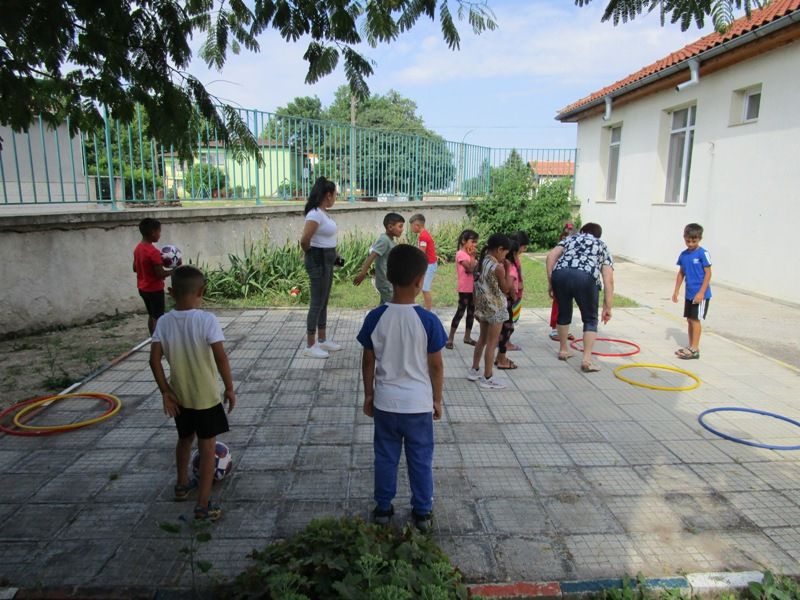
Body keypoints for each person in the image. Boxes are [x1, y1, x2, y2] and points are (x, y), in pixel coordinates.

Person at [356, 244, 447, 533]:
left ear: (389, 277)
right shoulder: (428, 321)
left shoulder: (375, 317)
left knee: (385, 457)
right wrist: (437, 399)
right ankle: (422, 511)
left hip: (385, 404)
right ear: (420, 281)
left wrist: (369, 394)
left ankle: (383, 508)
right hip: (418, 406)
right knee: (420, 459)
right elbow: (436, 367)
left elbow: (367, 361)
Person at [149, 265, 235, 522]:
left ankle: (182, 484)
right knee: (207, 448)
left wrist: (165, 391)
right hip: (206, 398)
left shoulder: (163, 322)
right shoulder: (206, 320)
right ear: (202, 292)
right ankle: (203, 504)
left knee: (184, 439)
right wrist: (229, 387)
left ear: (171, 292)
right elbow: (221, 357)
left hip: (180, 397)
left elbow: (154, 361)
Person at [546, 223, 614, 373]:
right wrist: (607, 307)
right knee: (590, 319)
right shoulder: (602, 245)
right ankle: (587, 360)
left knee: (563, 312)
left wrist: (551, 282)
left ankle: (563, 350)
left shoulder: (570, 239)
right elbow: (608, 279)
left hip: (561, 274)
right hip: (586, 277)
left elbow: (551, 256)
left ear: (582, 231)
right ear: (598, 235)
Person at [300, 177, 343, 359]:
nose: (335, 198)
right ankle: (311, 344)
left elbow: (324, 238)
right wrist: (310, 254)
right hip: (318, 259)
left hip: (327, 258)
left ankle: (323, 339)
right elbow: (305, 240)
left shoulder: (324, 213)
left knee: (324, 300)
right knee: (317, 302)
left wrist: (335, 254)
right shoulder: (315, 214)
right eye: (334, 195)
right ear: (327, 195)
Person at [469, 233, 513, 390]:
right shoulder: (498, 268)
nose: (504, 257)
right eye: (505, 253)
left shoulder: (479, 262)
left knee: (482, 338)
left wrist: (475, 306)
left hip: (483, 307)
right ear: (500, 249)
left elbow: (474, 287)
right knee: (492, 343)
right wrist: (508, 270)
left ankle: (474, 369)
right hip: (496, 309)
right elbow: (506, 288)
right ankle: (488, 377)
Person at [133, 217, 181, 335]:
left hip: (142, 288)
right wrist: (175, 269)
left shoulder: (138, 248)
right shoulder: (153, 252)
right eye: (159, 231)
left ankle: (152, 338)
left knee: (151, 315)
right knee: (158, 318)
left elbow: (135, 268)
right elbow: (160, 274)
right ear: (153, 232)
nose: (160, 234)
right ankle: (158, 342)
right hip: (154, 290)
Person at [671, 223, 712, 360]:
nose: (690, 243)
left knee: (695, 320)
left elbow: (708, 274)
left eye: (694, 241)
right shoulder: (683, 255)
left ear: (700, 238)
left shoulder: (703, 254)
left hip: (700, 294)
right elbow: (681, 273)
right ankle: (690, 346)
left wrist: (701, 293)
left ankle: (695, 349)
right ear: (684, 238)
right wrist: (676, 291)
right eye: (688, 240)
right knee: (689, 319)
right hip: (689, 293)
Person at [353, 212, 405, 305]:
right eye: (400, 226)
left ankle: (380, 319)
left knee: (385, 306)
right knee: (393, 305)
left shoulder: (389, 240)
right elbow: (371, 256)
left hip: (389, 282)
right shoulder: (384, 240)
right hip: (385, 283)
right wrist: (363, 273)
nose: (402, 229)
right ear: (390, 227)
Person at [445, 229, 479, 349]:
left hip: (473, 289)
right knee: (460, 312)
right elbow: (469, 269)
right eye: (472, 241)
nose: (474, 245)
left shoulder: (471, 256)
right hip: (464, 289)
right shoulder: (461, 254)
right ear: (464, 241)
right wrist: (473, 256)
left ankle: (467, 337)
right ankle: (450, 338)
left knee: (471, 313)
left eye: (476, 242)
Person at [547, 223, 576, 342]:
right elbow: (550, 262)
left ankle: (564, 330)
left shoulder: (573, 251)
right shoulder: (558, 251)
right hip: (559, 282)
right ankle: (555, 329)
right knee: (557, 305)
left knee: (567, 307)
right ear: (564, 238)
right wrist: (551, 283)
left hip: (570, 282)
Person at [495, 240, 520, 370]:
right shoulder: (511, 268)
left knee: (504, 329)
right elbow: (509, 285)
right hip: (507, 301)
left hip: (500, 301)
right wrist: (514, 296)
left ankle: (499, 356)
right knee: (506, 330)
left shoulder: (500, 265)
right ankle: (502, 359)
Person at [507, 230, 531, 351]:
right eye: (523, 247)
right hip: (512, 295)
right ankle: (505, 341)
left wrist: (521, 282)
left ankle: (503, 340)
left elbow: (519, 272)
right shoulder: (510, 262)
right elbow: (511, 281)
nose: (524, 250)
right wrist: (514, 293)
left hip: (516, 293)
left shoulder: (514, 260)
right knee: (509, 321)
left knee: (511, 318)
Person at [410, 214, 437, 311]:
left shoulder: (423, 236)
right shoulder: (424, 234)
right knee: (422, 288)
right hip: (428, 264)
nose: (411, 229)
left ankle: (428, 311)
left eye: (411, 226)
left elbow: (421, 253)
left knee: (425, 289)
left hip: (429, 265)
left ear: (418, 226)